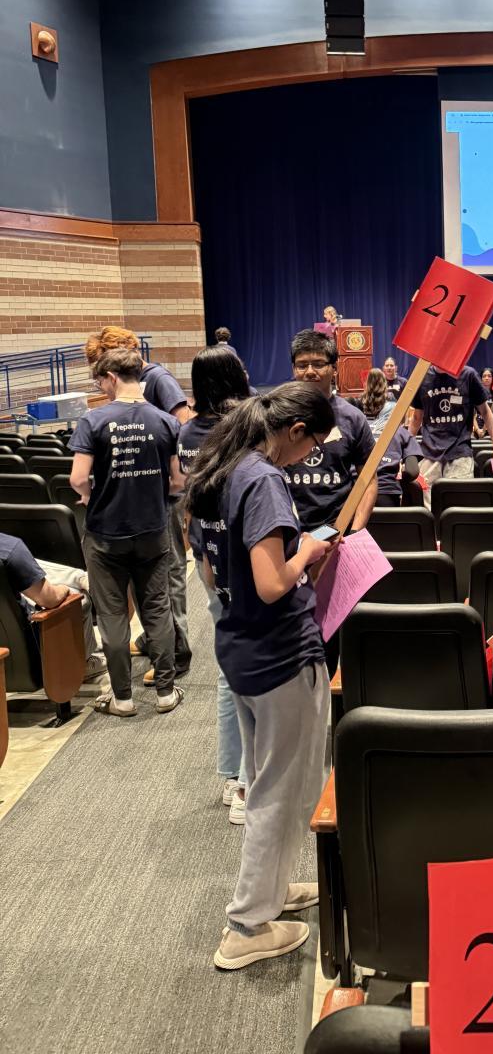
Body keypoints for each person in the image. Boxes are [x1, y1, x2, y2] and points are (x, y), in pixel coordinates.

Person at [184, 383, 336, 970]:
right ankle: (247, 925)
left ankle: (270, 891)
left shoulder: (219, 468)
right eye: (313, 443)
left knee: (269, 780)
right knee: (281, 789)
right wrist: (310, 551)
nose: (311, 455)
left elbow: (208, 570)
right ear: (295, 431)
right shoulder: (264, 480)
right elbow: (273, 583)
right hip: (280, 657)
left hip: (240, 648)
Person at [68, 348, 184, 716]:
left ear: (112, 378)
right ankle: (165, 692)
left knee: (113, 614)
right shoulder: (166, 421)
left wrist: (90, 496)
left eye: (99, 381)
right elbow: (178, 481)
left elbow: (78, 478)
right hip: (152, 531)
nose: (100, 388)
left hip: (105, 535)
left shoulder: (93, 420)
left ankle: (122, 698)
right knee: (157, 609)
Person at [85, 326, 192, 680]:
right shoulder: (126, 390)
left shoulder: (158, 379)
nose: (103, 375)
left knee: (169, 573)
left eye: (103, 364)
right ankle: (154, 639)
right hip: (136, 502)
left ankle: (177, 652)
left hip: (161, 497)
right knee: (143, 579)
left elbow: (182, 427)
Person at [178, 346, 251, 824]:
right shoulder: (240, 430)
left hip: (205, 554)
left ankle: (231, 774)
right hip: (239, 557)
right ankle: (246, 779)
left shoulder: (187, 432)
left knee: (228, 668)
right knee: (253, 670)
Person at [287, 330, 377, 532]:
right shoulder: (277, 416)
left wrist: (353, 532)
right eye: (302, 365)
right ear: (294, 369)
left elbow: (368, 481)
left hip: (337, 531)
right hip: (287, 533)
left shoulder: (353, 418)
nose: (310, 371)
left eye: (318, 364)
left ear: (334, 368)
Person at [0, 535, 107, 683]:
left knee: (22, 564)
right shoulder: (9, 547)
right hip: (26, 641)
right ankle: (84, 664)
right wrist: (63, 589)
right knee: (80, 599)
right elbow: (50, 600)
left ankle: (80, 577)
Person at [409, 363, 493, 495]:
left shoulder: (468, 375)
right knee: (427, 503)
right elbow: (416, 418)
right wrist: (406, 452)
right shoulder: (422, 376)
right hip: (429, 453)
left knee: (459, 502)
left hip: (460, 453)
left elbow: (485, 412)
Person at [355, 367, 420, 507]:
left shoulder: (356, 429)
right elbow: (412, 471)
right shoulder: (400, 431)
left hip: (354, 496)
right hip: (387, 494)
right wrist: (400, 479)